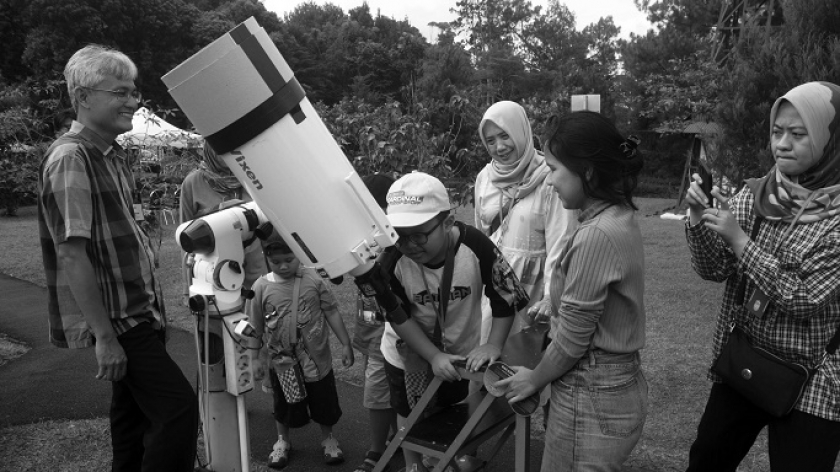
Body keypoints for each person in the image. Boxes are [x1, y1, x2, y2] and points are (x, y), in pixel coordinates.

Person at [37, 45, 198, 471]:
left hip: (142, 312)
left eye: (134, 91)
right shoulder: (72, 158)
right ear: (84, 97)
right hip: (122, 320)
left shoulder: (111, 155)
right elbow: (71, 255)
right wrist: (105, 338)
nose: (134, 101)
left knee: (132, 422)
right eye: (121, 92)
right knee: (179, 410)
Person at [682, 81, 840, 472]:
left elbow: (801, 297)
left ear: (828, 139)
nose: (782, 144)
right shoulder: (757, 195)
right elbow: (713, 269)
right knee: (706, 461)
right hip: (747, 358)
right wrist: (698, 220)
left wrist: (740, 241)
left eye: (798, 134)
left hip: (811, 377)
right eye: (777, 131)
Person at [496, 111, 647, 471]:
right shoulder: (616, 216)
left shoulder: (596, 234)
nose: (549, 181)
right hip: (613, 388)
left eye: (554, 169)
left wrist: (533, 380)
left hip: (591, 395)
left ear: (588, 172)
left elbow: (574, 341)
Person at [355, 171, 530, 472]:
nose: (408, 245)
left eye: (419, 234)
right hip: (406, 354)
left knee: (452, 406)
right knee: (408, 411)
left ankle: (444, 458)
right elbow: (399, 316)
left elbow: (506, 296)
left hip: (461, 353)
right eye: (399, 234)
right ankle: (414, 465)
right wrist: (433, 355)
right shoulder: (392, 259)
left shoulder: (476, 246)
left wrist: (492, 344)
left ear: (447, 223)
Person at [246, 231, 355, 469]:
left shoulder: (314, 280)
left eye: (289, 259)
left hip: (317, 361)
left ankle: (328, 438)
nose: (284, 266)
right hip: (282, 363)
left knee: (324, 402)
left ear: (299, 254)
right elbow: (255, 326)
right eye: (276, 262)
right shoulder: (260, 287)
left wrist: (346, 343)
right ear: (266, 258)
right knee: (283, 404)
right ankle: (282, 440)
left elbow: (331, 311)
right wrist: (254, 358)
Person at [475, 101, 577, 341]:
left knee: (523, 355)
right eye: (490, 140)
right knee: (488, 349)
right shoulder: (485, 178)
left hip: (532, 288)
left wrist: (550, 298)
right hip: (494, 283)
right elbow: (481, 236)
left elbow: (560, 241)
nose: (499, 147)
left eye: (504, 136)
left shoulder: (548, 177)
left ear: (521, 131)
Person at [179, 142, 267, 304]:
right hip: (211, 273)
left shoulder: (251, 177)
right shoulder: (192, 184)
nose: (228, 155)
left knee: (254, 324)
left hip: (255, 273)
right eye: (220, 150)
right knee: (216, 325)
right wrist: (187, 289)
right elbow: (186, 242)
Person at [352, 174, 399, 472]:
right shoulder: (360, 237)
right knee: (381, 390)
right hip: (371, 331)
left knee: (387, 390)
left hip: (391, 330)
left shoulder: (395, 241)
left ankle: (383, 448)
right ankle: (386, 443)